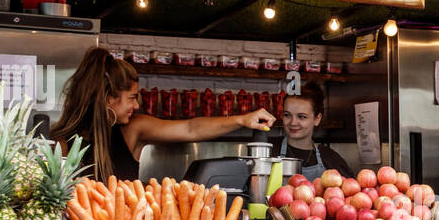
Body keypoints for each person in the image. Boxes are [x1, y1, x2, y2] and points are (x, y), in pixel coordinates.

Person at [50, 48, 276, 181]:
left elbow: (191, 129)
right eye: (131, 97)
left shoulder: (132, 130)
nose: (136, 106)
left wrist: (243, 119)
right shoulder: (61, 144)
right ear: (109, 98)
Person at [273, 82, 354, 182]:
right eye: (287, 115)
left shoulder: (330, 159)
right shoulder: (270, 151)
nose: (293, 122)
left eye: (302, 116)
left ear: (317, 119)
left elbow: (350, 191)